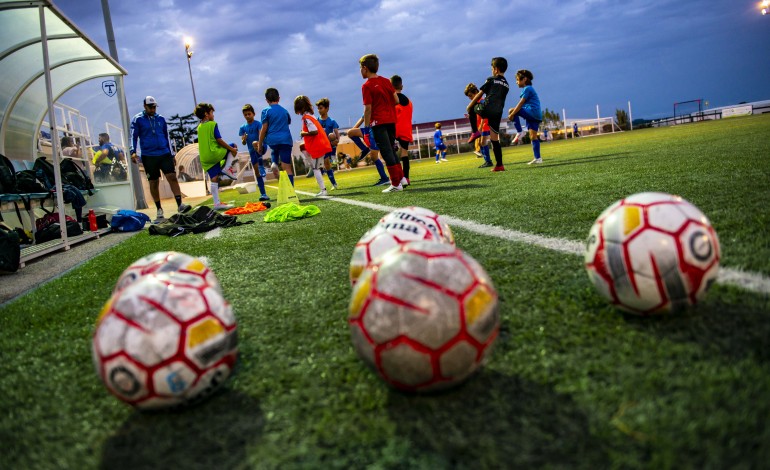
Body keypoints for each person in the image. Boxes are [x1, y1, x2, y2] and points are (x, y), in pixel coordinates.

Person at [130, 96, 191, 222]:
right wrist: (133, 151)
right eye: (150, 107)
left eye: (154, 107)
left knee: (172, 177)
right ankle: (159, 209)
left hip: (164, 153)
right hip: (148, 155)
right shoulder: (138, 119)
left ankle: (180, 205)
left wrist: (172, 153)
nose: (153, 109)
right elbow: (133, 136)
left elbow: (166, 136)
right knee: (153, 182)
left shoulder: (161, 119)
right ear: (144, 107)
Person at [359, 54, 406, 193]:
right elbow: (396, 100)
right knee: (391, 149)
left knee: (386, 152)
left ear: (365, 68)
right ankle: (401, 178)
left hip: (378, 122)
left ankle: (396, 184)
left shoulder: (366, 86)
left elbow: (368, 108)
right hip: (391, 120)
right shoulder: (386, 81)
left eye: (360, 68)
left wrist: (366, 128)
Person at [466, 57, 510, 172]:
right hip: (498, 113)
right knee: (495, 139)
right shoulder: (507, 84)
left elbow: (479, 95)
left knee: (470, 108)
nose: (491, 70)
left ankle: (475, 132)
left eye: (492, 68)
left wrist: (471, 105)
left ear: (495, 69)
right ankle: (499, 165)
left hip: (487, 108)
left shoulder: (490, 79)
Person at [195, 102, 238, 210]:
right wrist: (231, 149)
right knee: (233, 146)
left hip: (205, 158)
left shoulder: (199, 127)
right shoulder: (212, 124)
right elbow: (219, 140)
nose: (213, 115)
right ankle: (228, 169)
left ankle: (217, 203)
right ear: (206, 114)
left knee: (214, 178)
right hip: (214, 154)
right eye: (212, 113)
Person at [295, 95, 333, 197]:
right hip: (319, 144)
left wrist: (304, 133)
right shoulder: (310, 116)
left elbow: (314, 131)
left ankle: (323, 190)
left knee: (316, 169)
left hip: (317, 146)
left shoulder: (306, 118)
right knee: (302, 146)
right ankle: (312, 164)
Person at [256, 88, 294, 186]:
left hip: (272, 140)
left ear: (267, 100)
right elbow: (288, 122)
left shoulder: (266, 111)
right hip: (285, 139)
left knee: (274, 149)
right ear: (279, 98)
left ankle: (274, 163)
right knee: (287, 167)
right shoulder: (285, 111)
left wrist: (260, 144)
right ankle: (291, 192)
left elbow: (264, 128)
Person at [508, 69, 544, 165]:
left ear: (524, 79)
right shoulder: (529, 89)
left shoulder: (527, 88)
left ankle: (520, 132)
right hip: (536, 115)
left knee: (511, 110)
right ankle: (538, 158)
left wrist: (512, 114)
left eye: (517, 80)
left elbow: (520, 103)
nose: (516, 82)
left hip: (532, 112)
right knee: (533, 137)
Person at [238, 104, 270, 201]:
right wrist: (244, 139)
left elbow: (262, 135)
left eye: (249, 114)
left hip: (261, 146)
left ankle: (261, 164)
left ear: (253, 114)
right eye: (245, 115)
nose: (247, 116)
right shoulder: (243, 127)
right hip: (252, 151)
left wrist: (259, 145)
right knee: (257, 173)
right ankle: (263, 194)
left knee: (255, 142)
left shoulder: (258, 124)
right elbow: (243, 142)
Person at [347, 116, 388, 185]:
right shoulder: (368, 106)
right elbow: (363, 118)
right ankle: (364, 149)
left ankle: (385, 179)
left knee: (374, 157)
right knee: (350, 132)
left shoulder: (377, 107)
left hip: (375, 132)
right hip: (367, 130)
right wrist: (354, 129)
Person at [464, 83, 494, 168]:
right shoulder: (476, 102)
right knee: (481, 143)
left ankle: (488, 161)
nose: (470, 98)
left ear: (476, 92)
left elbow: (484, 114)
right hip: (481, 125)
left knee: (482, 142)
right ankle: (487, 161)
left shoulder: (481, 100)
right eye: (468, 97)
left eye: (470, 95)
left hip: (484, 124)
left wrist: (480, 126)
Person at [391, 74, 413, 185]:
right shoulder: (409, 101)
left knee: (391, 154)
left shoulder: (392, 100)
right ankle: (406, 178)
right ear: (402, 87)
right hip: (406, 130)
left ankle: (397, 179)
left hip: (394, 130)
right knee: (404, 154)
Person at [315, 98, 340, 190]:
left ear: (327, 109)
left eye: (321, 108)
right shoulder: (317, 121)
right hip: (322, 145)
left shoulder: (332, 121)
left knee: (331, 135)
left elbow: (337, 134)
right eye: (318, 108)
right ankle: (334, 183)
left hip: (330, 144)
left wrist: (337, 140)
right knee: (326, 164)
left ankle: (333, 156)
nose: (319, 110)